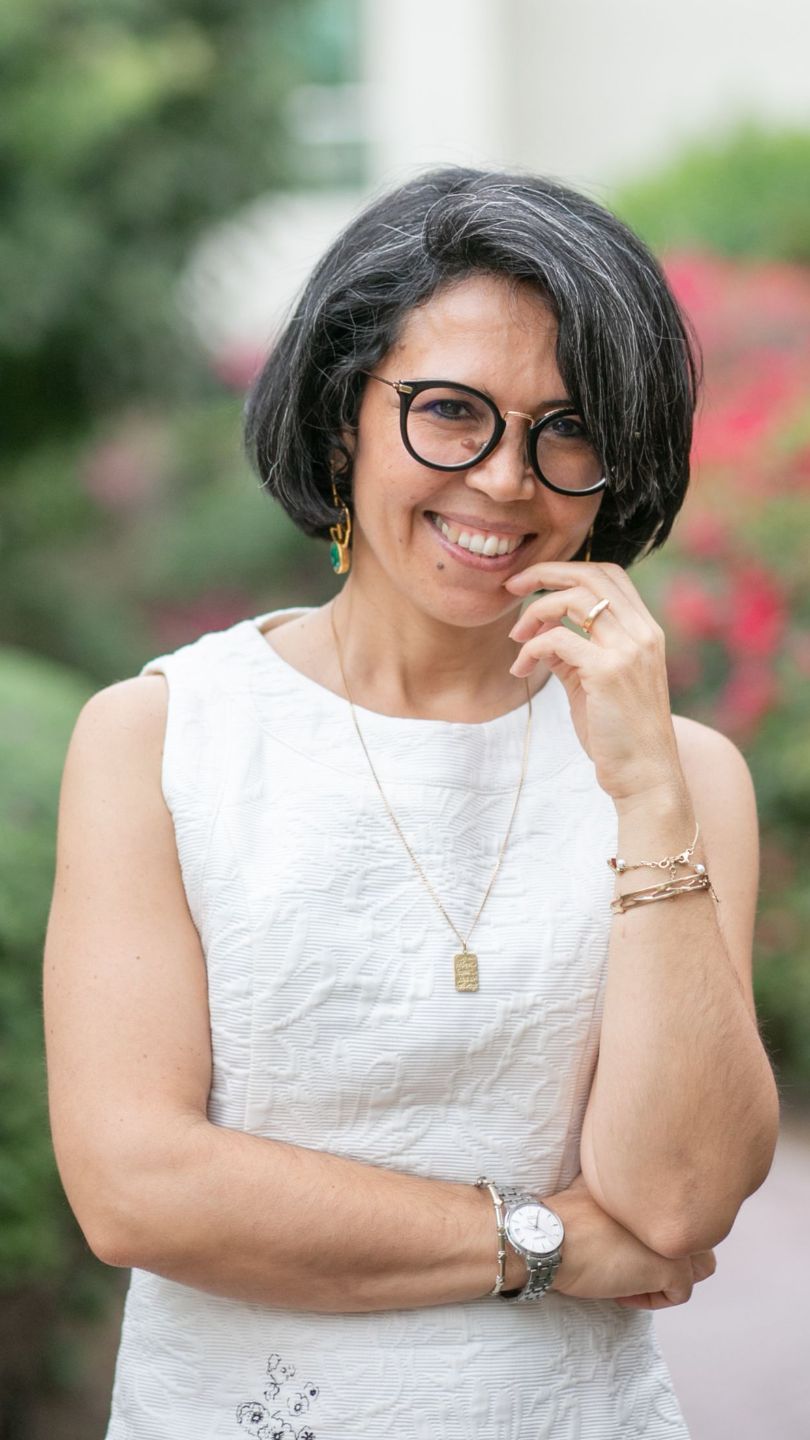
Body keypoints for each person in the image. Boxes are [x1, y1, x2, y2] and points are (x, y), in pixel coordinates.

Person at [43, 167, 780, 1439]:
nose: (504, 480)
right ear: (344, 417)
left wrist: (647, 793)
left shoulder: (685, 775)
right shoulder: (163, 738)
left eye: (570, 429)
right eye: (450, 413)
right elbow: (136, 1187)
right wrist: (546, 1243)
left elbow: (676, 1199)